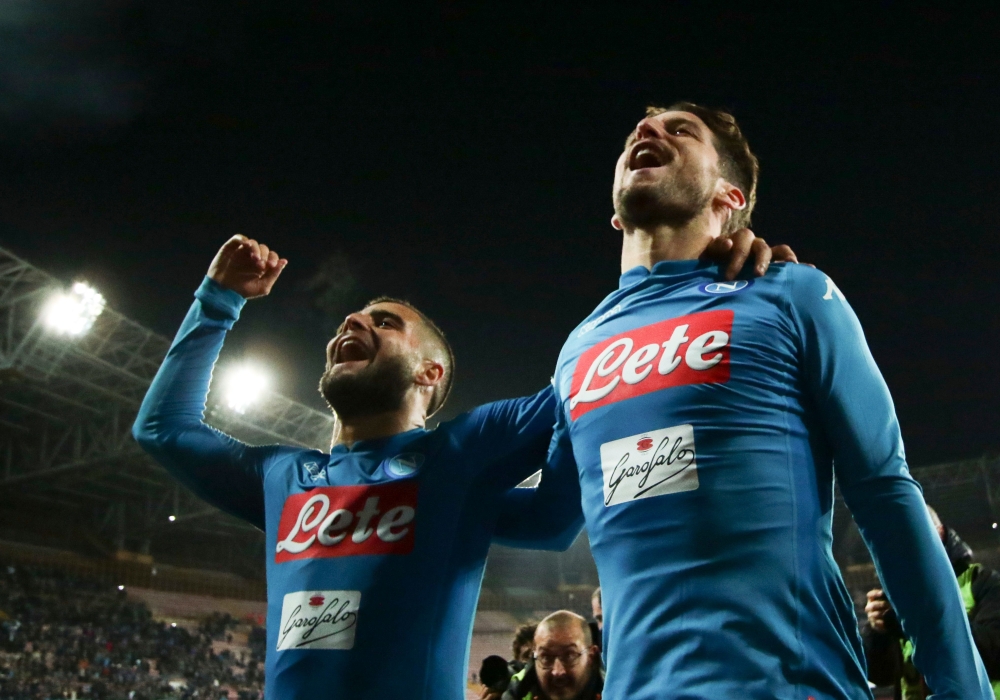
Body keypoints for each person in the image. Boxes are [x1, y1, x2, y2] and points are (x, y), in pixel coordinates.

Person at [133, 234, 783, 699]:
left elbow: (595, 380)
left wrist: (705, 294)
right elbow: (162, 429)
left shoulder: (460, 453)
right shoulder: (279, 477)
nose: (352, 323)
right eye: (349, 322)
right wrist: (216, 302)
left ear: (430, 372)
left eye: (383, 323)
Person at [521, 102, 993, 698]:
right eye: (639, 130)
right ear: (615, 216)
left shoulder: (790, 293)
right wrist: (411, 494)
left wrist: (962, 689)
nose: (646, 130)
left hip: (789, 686)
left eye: (680, 131)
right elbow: (549, 516)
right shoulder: (580, 347)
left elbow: (885, 493)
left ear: (730, 197)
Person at [862, 507, 1000, 698]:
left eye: (915, 531)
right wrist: (877, 633)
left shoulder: (983, 582)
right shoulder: (898, 596)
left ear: (941, 532)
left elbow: (994, 653)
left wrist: (916, 621)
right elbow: (881, 676)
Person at [503, 611, 603, 700]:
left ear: (591, 656)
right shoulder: (516, 694)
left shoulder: (615, 692)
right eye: (546, 657)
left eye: (569, 656)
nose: (557, 672)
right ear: (534, 660)